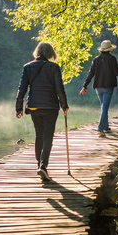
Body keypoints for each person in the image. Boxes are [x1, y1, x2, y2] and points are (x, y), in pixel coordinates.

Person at [15, 42, 69, 181]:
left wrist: (18, 107)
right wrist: (64, 105)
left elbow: (22, 89)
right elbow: (59, 89)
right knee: (48, 136)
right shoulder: (54, 67)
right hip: (50, 106)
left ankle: (39, 165)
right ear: (50, 53)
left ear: (37, 52)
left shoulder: (28, 67)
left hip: (34, 107)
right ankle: (43, 166)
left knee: (39, 135)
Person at [80, 40, 118, 137]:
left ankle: (105, 127)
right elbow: (117, 73)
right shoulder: (112, 59)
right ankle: (100, 128)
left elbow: (91, 74)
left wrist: (85, 86)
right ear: (110, 50)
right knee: (105, 107)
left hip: (98, 87)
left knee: (103, 107)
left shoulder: (96, 60)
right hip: (108, 86)